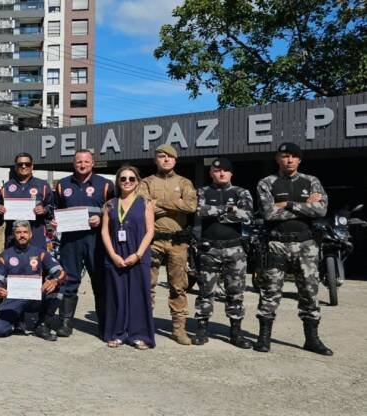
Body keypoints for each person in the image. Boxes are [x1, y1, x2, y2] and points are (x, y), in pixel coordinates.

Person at [254, 142, 332, 355]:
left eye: (293, 156)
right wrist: (304, 205)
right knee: (270, 290)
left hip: (306, 245)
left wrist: (286, 204)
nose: (289, 160)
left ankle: (312, 340)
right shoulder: (267, 183)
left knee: (309, 292)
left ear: (299, 160)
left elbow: (321, 210)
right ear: (277, 159)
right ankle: (263, 338)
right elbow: (268, 213)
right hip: (277, 243)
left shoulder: (311, 181)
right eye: (285, 156)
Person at [136, 144, 197, 345]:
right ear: (155, 160)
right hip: (153, 240)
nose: (165, 159)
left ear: (175, 160)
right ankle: (145, 327)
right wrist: (175, 204)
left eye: (169, 157)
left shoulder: (184, 182)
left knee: (178, 286)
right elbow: (142, 205)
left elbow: (190, 206)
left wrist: (159, 205)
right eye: (161, 156)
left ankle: (179, 329)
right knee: (147, 285)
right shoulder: (146, 182)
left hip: (178, 241)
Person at [51, 149, 115, 338]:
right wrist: (54, 221)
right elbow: (55, 210)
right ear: (73, 163)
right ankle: (65, 323)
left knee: (100, 282)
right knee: (68, 281)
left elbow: (116, 211)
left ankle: (105, 325)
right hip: (71, 241)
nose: (82, 165)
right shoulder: (62, 185)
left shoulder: (106, 185)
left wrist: (102, 217)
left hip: (96, 240)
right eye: (79, 161)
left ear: (93, 163)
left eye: (86, 161)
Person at [192, 158, 253, 348]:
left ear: (231, 173)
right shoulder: (202, 191)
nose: (221, 174)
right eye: (217, 171)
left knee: (235, 292)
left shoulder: (241, 192)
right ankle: (202, 330)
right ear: (211, 173)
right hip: (209, 249)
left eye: (225, 171)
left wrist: (217, 212)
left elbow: (247, 215)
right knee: (205, 291)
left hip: (234, 249)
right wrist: (228, 210)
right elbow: (199, 210)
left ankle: (235, 333)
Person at [100, 165, 155, 350]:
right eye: (123, 178)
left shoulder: (145, 203)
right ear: (118, 181)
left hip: (138, 254)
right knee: (116, 295)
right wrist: (113, 255)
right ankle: (117, 334)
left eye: (131, 178)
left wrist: (138, 254)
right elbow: (104, 232)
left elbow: (150, 232)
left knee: (138, 296)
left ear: (137, 182)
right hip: (116, 255)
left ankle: (139, 335)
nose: (127, 182)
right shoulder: (109, 205)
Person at [0, 220, 65, 341]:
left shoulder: (41, 253)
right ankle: (15, 321)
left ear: (30, 234)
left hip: (35, 297)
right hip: (13, 298)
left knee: (60, 288)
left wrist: (54, 281)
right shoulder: (4, 256)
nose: (22, 235)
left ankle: (43, 325)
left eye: (25, 232)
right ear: (14, 235)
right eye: (18, 232)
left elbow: (60, 272)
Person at [0, 152, 54, 249]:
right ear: (15, 167)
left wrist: (44, 210)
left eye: (27, 164)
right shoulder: (6, 187)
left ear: (32, 166)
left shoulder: (43, 186)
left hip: (36, 236)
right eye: (20, 164)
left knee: (36, 263)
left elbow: (53, 207)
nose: (23, 166)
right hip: (13, 237)